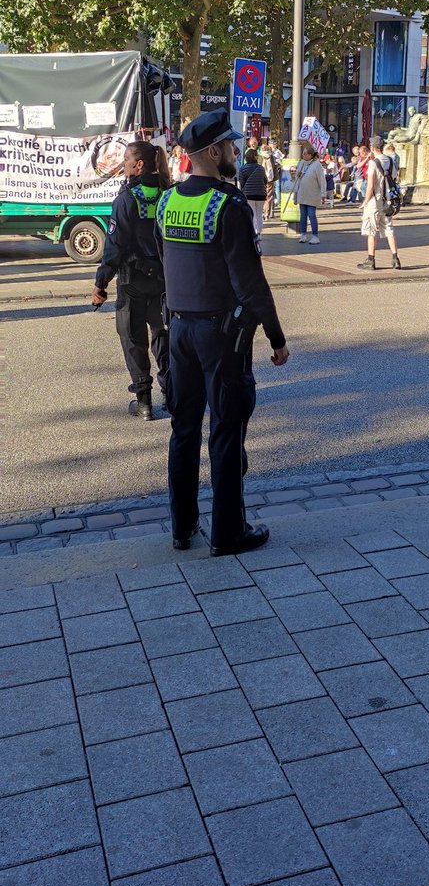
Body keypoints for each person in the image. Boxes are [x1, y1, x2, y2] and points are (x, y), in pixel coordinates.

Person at [155, 108, 289, 556]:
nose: (235, 151)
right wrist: (276, 336)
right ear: (212, 153)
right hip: (220, 335)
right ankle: (229, 533)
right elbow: (251, 284)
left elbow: (164, 268)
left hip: (179, 331)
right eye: (230, 146)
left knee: (184, 429)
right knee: (226, 432)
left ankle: (182, 527)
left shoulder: (167, 202)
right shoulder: (228, 206)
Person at [91, 140, 169, 420]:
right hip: (163, 281)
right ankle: (172, 396)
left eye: (126, 159)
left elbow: (115, 247)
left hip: (132, 281)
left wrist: (100, 284)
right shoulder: (168, 194)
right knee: (163, 336)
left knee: (133, 339)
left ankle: (144, 402)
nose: (122, 164)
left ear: (139, 165)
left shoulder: (126, 199)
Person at [359, 135, 401, 270]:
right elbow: (394, 178)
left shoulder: (373, 163)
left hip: (374, 201)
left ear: (372, 148)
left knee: (371, 230)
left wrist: (365, 202)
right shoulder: (389, 160)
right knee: (389, 229)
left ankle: (371, 260)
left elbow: (370, 186)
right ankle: (396, 259)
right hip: (388, 201)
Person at [293, 145, 326, 244]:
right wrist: (297, 175)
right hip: (302, 193)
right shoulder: (301, 163)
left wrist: (323, 193)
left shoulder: (317, 165)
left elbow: (322, 180)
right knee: (303, 215)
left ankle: (315, 235)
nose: (304, 155)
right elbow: (296, 178)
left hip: (312, 194)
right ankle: (303, 234)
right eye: (303, 153)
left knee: (311, 215)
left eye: (306, 154)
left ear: (311, 155)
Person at [238, 148, 267, 236]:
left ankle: (254, 232)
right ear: (255, 157)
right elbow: (265, 180)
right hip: (261, 194)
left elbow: (241, 182)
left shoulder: (243, 168)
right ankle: (259, 233)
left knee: (252, 213)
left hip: (249, 194)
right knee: (259, 214)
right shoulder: (261, 168)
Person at [261, 145, 278, 221]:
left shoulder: (260, 157)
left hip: (262, 178)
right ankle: (267, 214)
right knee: (269, 196)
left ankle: (263, 212)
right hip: (270, 179)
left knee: (262, 196)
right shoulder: (272, 157)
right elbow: (275, 167)